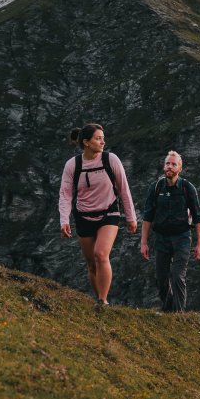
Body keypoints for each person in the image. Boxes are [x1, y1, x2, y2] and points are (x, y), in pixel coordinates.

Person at [58, 123, 137, 311]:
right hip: (83, 216)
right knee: (91, 264)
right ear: (86, 142)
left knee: (101, 254)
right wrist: (64, 220)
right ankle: (98, 299)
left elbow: (124, 190)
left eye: (103, 137)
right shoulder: (73, 165)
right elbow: (65, 194)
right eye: (98, 138)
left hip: (109, 213)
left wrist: (131, 217)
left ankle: (103, 301)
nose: (103, 141)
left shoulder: (111, 160)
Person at [140, 150, 200, 312]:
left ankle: (179, 314)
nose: (169, 166)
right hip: (161, 238)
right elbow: (147, 216)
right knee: (161, 279)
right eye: (167, 163)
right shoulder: (155, 188)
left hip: (182, 237)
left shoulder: (187, 188)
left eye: (173, 164)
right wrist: (143, 242)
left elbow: (198, 217)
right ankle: (169, 311)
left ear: (180, 168)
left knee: (177, 276)